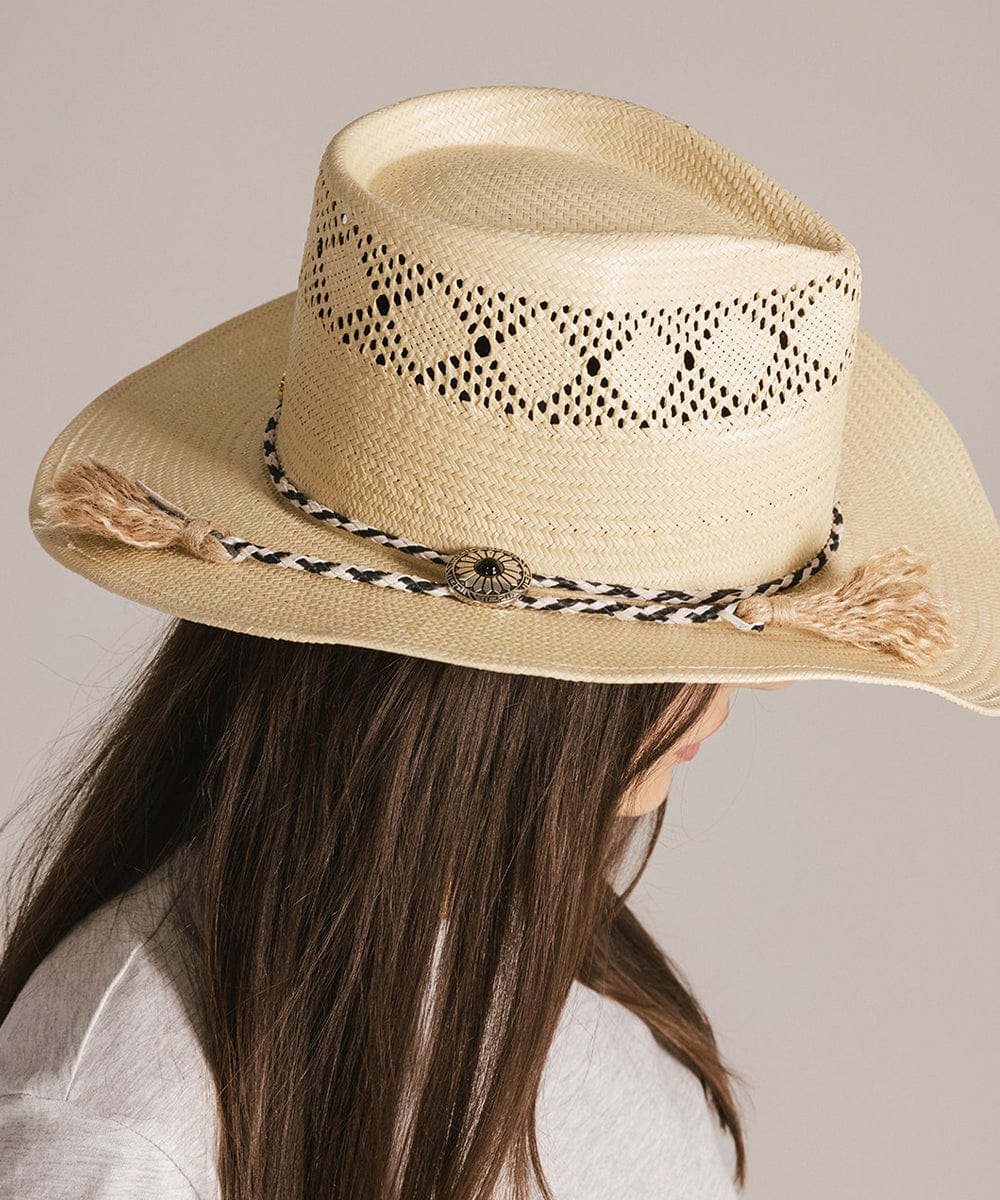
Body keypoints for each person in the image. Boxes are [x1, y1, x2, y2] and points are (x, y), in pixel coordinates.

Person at [2, 85, 996, 1200]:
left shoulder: (553, 967)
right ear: (510, 690)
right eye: (681, 638)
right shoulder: (123, 1126)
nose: (734, 692)